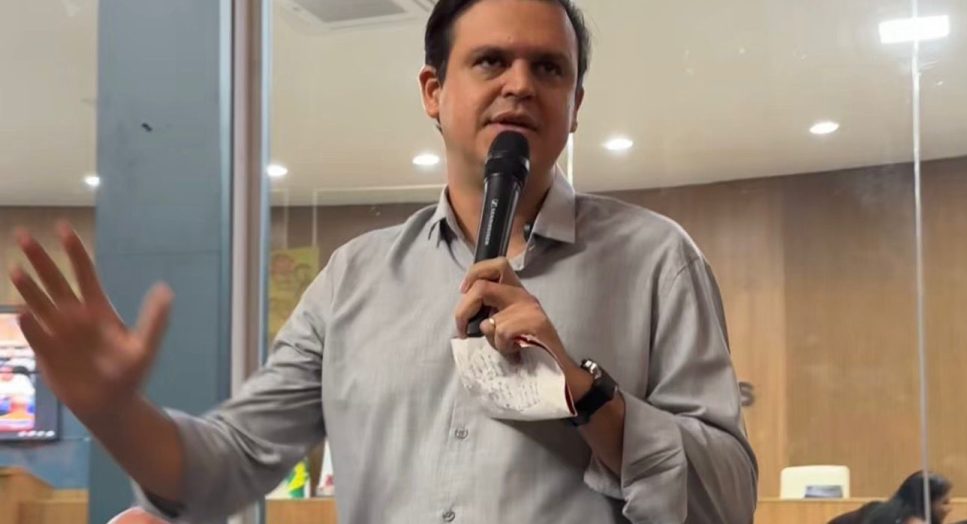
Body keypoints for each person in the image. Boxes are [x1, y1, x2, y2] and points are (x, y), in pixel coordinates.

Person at [8, 0, 757, 522]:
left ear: (576, 103)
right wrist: (115, 414)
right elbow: (226, 463)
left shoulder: (658, 261)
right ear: (434, 91)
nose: (520, 84)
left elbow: (727, 501)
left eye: (549, 69)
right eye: (490, 61)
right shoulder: (352, 281)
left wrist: (584, 394)